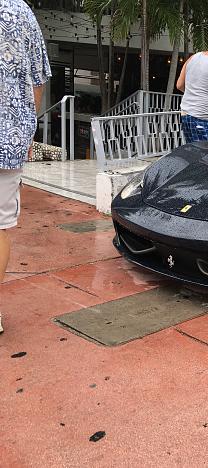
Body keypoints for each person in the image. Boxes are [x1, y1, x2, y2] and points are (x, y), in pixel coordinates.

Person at [0, 0, 51, 334]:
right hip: (7, 137)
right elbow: (38, 78)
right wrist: (25, 129)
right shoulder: (20, 12)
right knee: (1, 224)